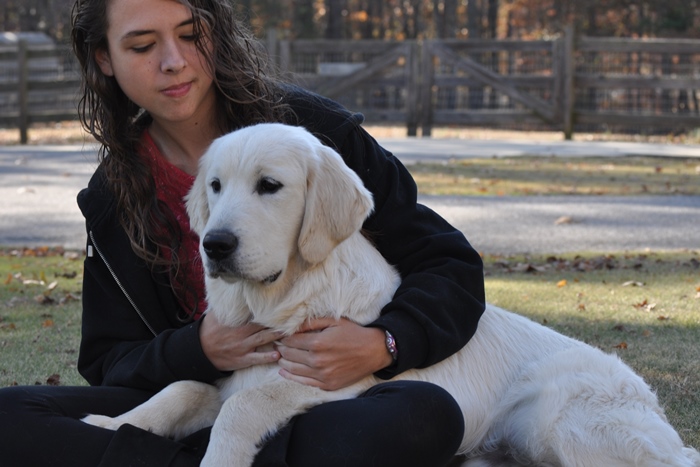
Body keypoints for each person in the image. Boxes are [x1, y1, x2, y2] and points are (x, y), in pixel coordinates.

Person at [0, 0, 485, 465]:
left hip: (326, 405)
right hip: (201, 404)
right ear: (104, 57)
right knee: (9, 416)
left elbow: (449, 265)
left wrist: (385, 341)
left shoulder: (313, 133)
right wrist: (200, 348)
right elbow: (110, 362)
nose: (173, 61)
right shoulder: (111, 194)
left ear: (217, 33)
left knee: (423, 415)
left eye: (191, 35)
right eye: (143, 46)